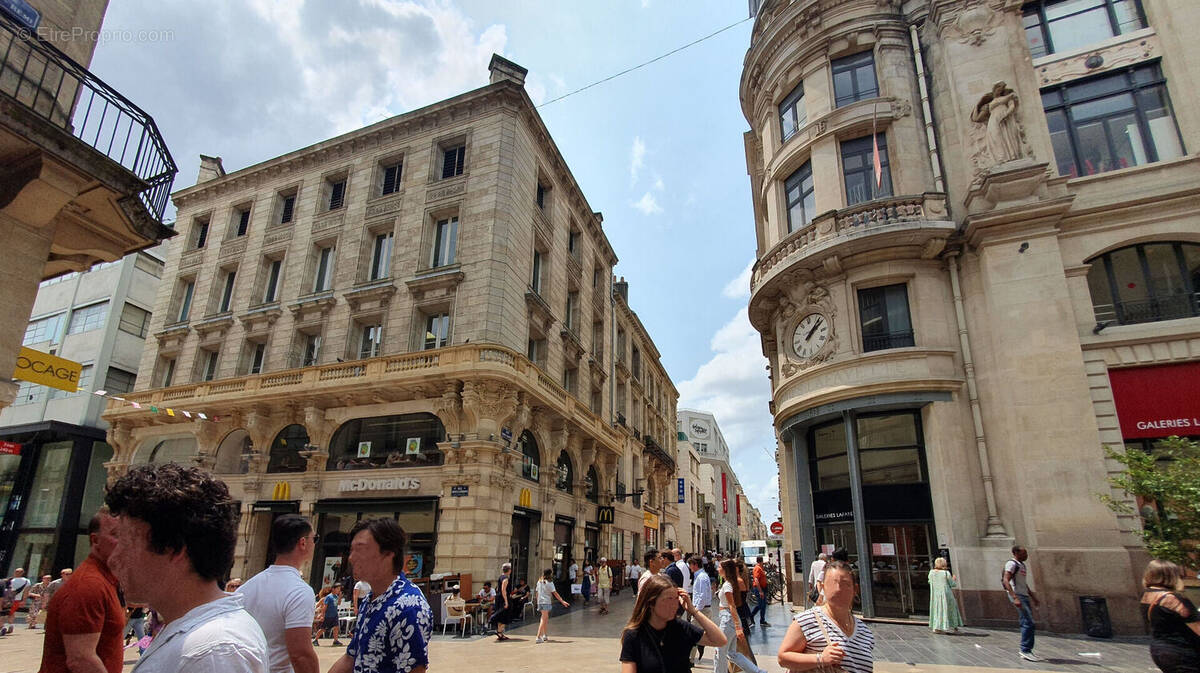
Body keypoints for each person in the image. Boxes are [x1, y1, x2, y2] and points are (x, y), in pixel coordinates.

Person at [104, 463, 268, 672]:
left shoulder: (212, 653)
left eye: (126, 543)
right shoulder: (196, 638)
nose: (114, 558)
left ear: (173, 548)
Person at [328, 518, 432, 673]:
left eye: (361, 549)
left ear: (389, 554)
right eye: (351, 550)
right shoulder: (371, 599)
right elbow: (351, 657)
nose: (351, 557)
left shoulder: (409, 608)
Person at [38, 510, 125, 673]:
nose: (125, 542)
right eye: (116, 535)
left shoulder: (105, 579)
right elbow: (81, 660)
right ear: (95, 540)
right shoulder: (89, 585)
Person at [238, 514, 320, 673]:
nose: (315, 544)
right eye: (314, 539)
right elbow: (301, 654)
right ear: (303, 543)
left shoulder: (248, 587)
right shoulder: (299, 591)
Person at [779, 560, 874, 673]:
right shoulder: (807, 620)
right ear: (823, 587)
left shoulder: (865, 632)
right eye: (833, 583)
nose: (838, 589)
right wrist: (820, 659)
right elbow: (783, 658)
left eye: (845, 584)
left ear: (855, 589)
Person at [619, 574, 726, 673]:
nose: (674, 605)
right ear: (651, 603)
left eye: (676, 599)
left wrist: (694, 611)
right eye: (668, 599)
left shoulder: (681, 628)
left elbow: (720, 640)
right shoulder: (634, 635)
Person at [1140, 559, 1200, 672]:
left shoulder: (1147, 595)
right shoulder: (1174, 599)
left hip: (1160, 650)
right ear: (1172, 576)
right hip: (1184, 652)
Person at [713, 560, 769, 673]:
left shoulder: (728, 584)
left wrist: (738, 627)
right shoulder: (729, 583)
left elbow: (732, 605)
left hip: (727, 618)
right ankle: (758, 671)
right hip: (730, 618)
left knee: (720, 650)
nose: (717, 569)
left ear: (725, 570)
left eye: (719, 567)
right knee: (732, 653)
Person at [1002, 544, 1041, 661]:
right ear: (1016, 553)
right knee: (1029, 622)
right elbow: (1006, 580)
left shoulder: (1022, 565)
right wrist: (1014, 597)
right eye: (1024, 553)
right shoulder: (1011, 564)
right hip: (1018, 596)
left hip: (1023, 595)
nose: (1026, 555)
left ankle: (1027, 649)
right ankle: (1025, 649)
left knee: (1026, 621)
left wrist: (1033, 597)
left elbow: (1023, 583)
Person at [927, 557, 962, 634]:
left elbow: (930, 582)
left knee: (938, 610)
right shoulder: (946, 573)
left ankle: (937, 627)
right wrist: (954, 579)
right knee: (951, 610)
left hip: (936, 596)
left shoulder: (931, 573)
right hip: (947, 595)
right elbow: (952, 584)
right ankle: (955, 628)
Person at [534, 568, 570, 643]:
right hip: (546, 601)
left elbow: (537, 592)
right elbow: (555, 593)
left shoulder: (539, 581)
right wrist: (562, 601)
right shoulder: (549, 583)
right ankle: (538, 636)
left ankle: (545, 635)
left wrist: (537, 601)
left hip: (540, 601)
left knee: (545, 618)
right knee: (543, 619)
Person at [688, 557, 713, 664]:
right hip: (703, 609)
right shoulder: (700, 576)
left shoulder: (701, 577)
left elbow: (702, 595)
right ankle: (698, 649)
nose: (689, 567)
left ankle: (690, 659)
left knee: (692, 634)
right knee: (696, 634)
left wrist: (695, 610)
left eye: (690, 565)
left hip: (702, 610)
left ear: (695, 564)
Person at [489, 562, 516, 640]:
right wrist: (506, 601)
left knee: (502, 615)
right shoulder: (506, 579)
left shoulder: (501, 577)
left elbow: (498, 589)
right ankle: (499, 630)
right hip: (504, 598)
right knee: (506, 615)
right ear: (509, 570)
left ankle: (500, 632)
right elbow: (503, 590)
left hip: (499, 598)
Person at [3, 568, 30, 634]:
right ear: (23, 573)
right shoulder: (27, 581)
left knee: (3, 613)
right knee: (12, 612)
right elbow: (26, 592)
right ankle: (10, 625)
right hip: (17, 600)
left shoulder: (9, 580)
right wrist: (24, 600)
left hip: (6, 600)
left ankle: (3, 626)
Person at [750, 556, 771, 627]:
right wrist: (760, 591)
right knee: (761, 605)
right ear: (761, 561)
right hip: (759, 588)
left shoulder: (760, 568)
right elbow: (756, 580)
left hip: (762, 588)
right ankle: (752, 616)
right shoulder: (757, 568)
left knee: (762, 605)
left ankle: (761, 620)